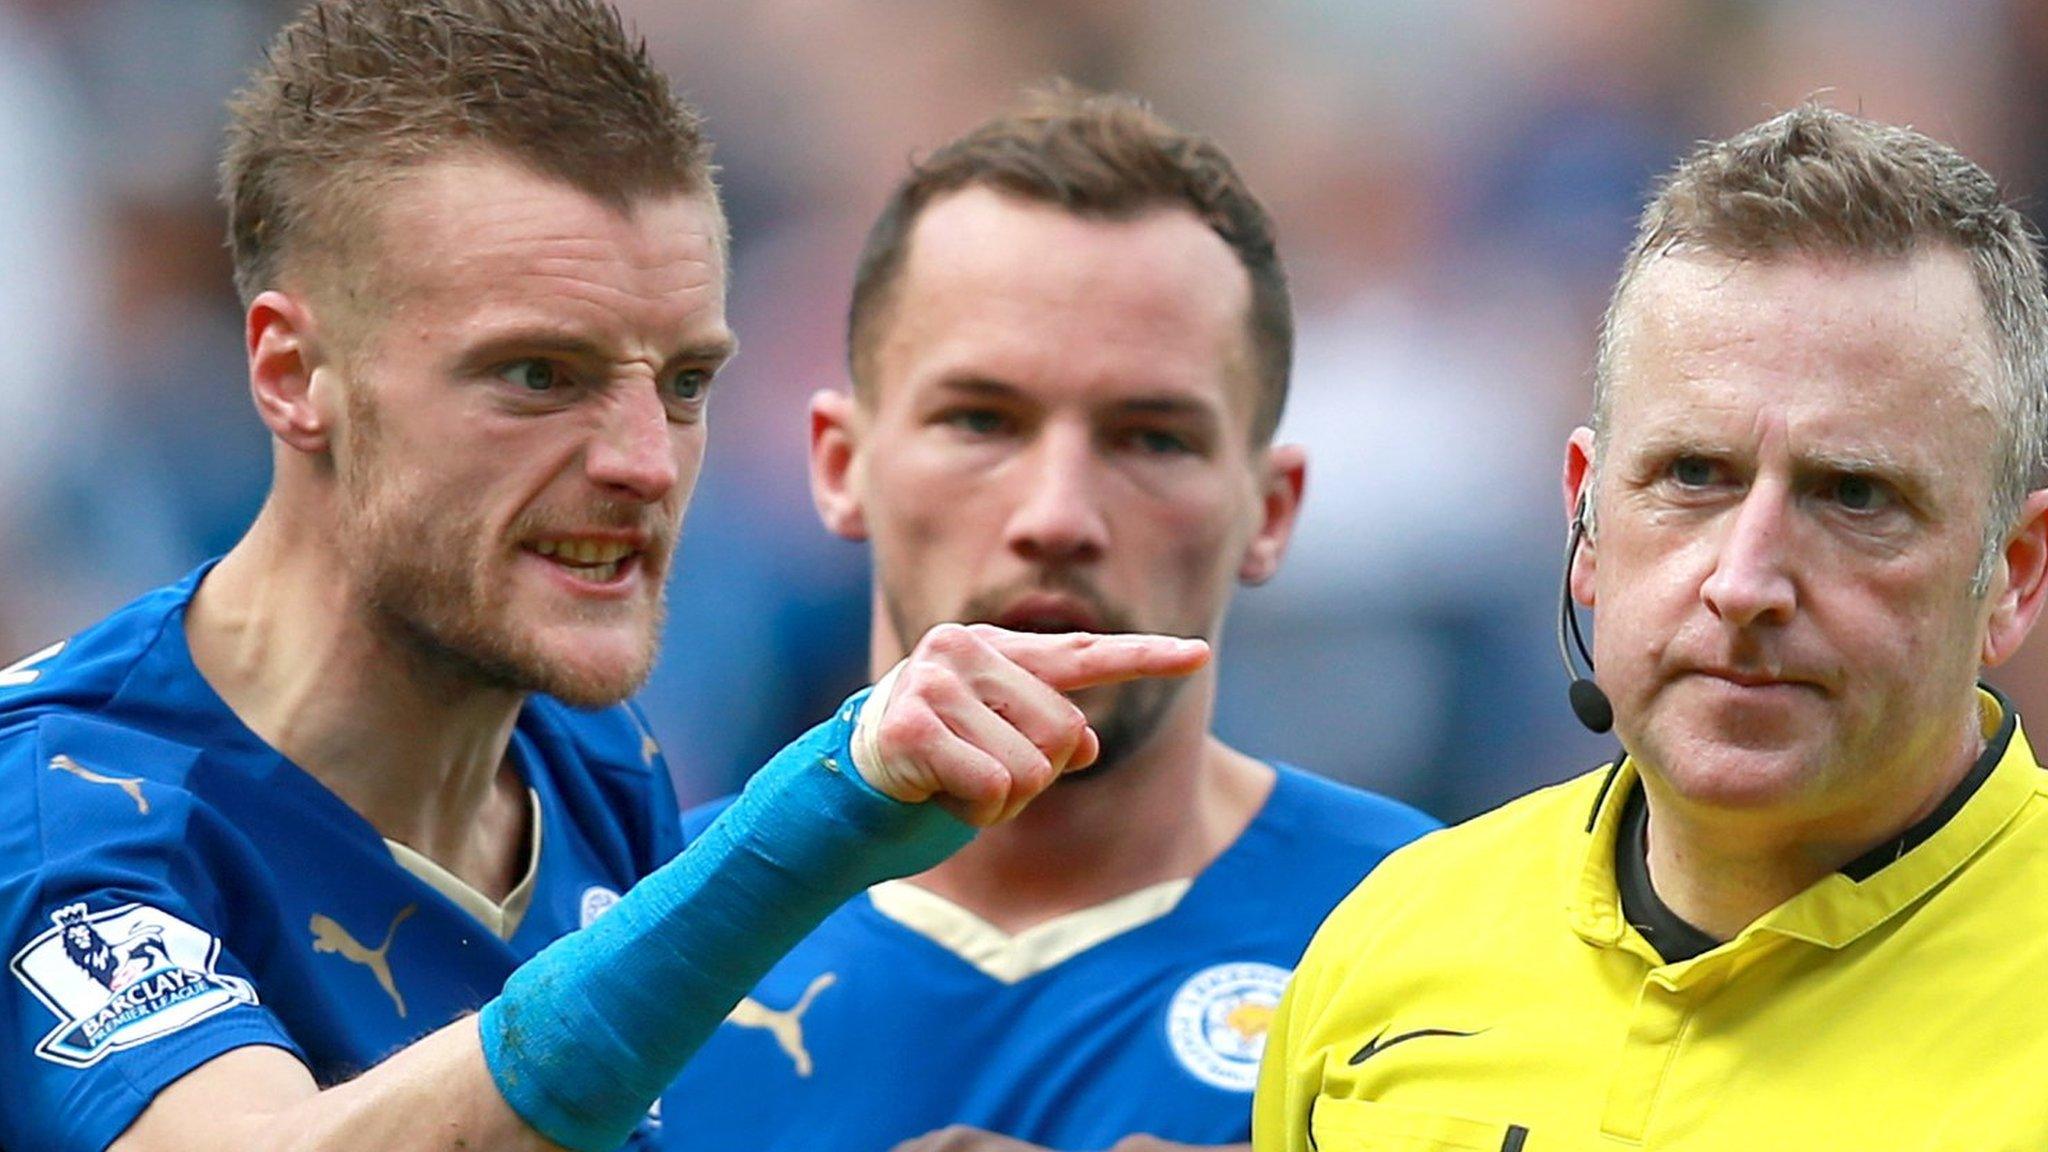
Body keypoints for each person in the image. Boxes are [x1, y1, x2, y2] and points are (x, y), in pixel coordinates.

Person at [0, 4, 1212, 1151]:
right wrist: (803, 830)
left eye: (684, 384)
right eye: (537, 375)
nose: (645, 464)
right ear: (292, 374)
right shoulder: (67, 803)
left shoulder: (584, 760)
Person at [1255, 103, 2048, 1149]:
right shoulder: (1392, 939)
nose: (1743, 579)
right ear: (1584, 516)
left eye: (1852, 495)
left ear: (2011, 577)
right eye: (1690, 475)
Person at [665, 86, 1439, 1152]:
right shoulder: (640, 926)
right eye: (980, 420)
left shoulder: (1428, 939)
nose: (1056, 516)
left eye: (1150, 438)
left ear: (1270, 512)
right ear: (840, 468)